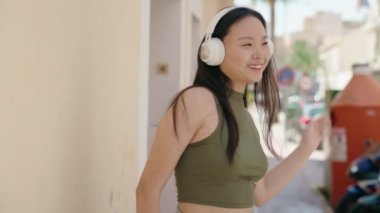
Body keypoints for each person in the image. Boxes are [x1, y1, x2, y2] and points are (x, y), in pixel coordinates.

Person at [136, 6, 327, 213]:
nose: (259, 54)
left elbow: (261, 193)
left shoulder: (244, 116)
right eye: (247, 44)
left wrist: (307, 146)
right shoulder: (196, 101)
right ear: (214, 51)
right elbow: (148, 189)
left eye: (264, 43)